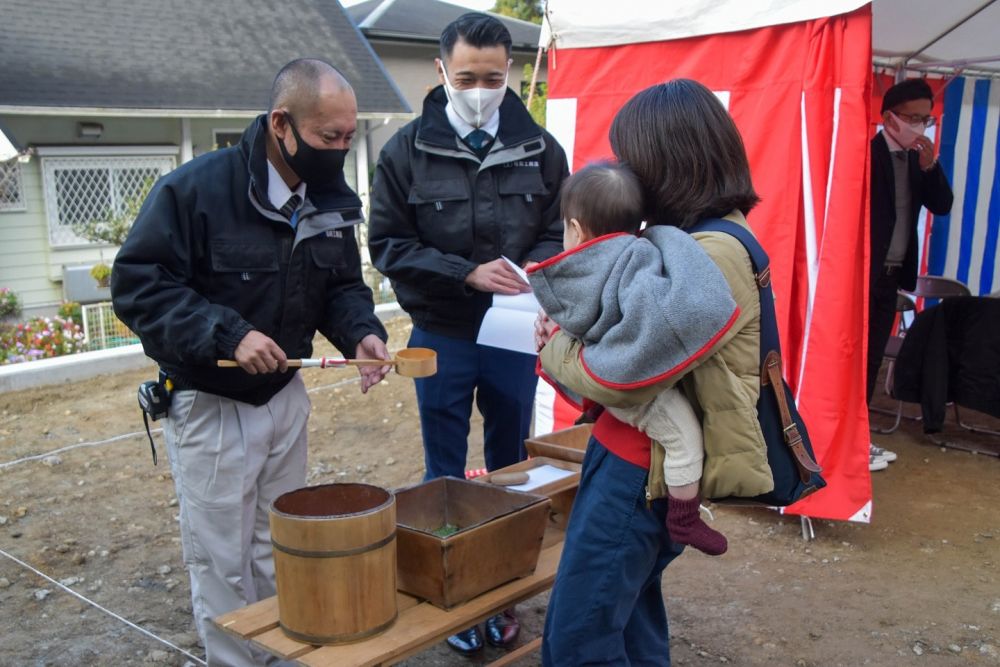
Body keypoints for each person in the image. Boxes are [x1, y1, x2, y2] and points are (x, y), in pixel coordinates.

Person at [111, 59, 391, 666]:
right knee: (221, 559)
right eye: (328, 138)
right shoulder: (195, 191)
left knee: (280, 545)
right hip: (212, 405)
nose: (341, 151)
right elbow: (139, 288)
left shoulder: (331, 199)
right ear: (281, 124)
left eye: (348, 137)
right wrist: (227, 334)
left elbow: (341, 285)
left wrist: (361, 334)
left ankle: (281, 655)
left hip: (285, 398)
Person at [535, 79, 771, 665]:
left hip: (639, 473)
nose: (624, 176)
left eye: (630, 160)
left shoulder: (713, 253)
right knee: (632, 621)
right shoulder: (698, 241)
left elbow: (623, 373)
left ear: (666, 162)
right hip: (635, 460)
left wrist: (555, 350)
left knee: (577, 642)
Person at [367, 12, 569, 655]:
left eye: (493, 75)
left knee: (512, 461)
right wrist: (465, 273)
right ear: (440, 72)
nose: (480, 88)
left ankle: (504, 586)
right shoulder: (404, 151)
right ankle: (450, 588)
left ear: (508, 71)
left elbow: (560, 228)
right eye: (466, 76)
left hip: (513, 332)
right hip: (442, 330)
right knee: (443, 470)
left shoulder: (540, 145)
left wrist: (532, 270)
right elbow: (388, 246)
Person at [527, 161, 753, 556]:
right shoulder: (639, 257)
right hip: (632, 390)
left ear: (576, 229)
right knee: (684, 436)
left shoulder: (576, 270)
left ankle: (682, 512)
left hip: (607, 381)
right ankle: (684, 516)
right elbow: (644, 332)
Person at [868, 78, 954, 471]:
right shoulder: (868, 154)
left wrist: (931, 165)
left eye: (927, 119)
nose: (921, 126)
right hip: (861, 275)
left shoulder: (920, 161)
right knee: (852, 357)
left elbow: (943, 205)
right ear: (889, 118)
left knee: (872, 360)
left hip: (891, 275)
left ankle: (859, 434)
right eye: (914, 118)